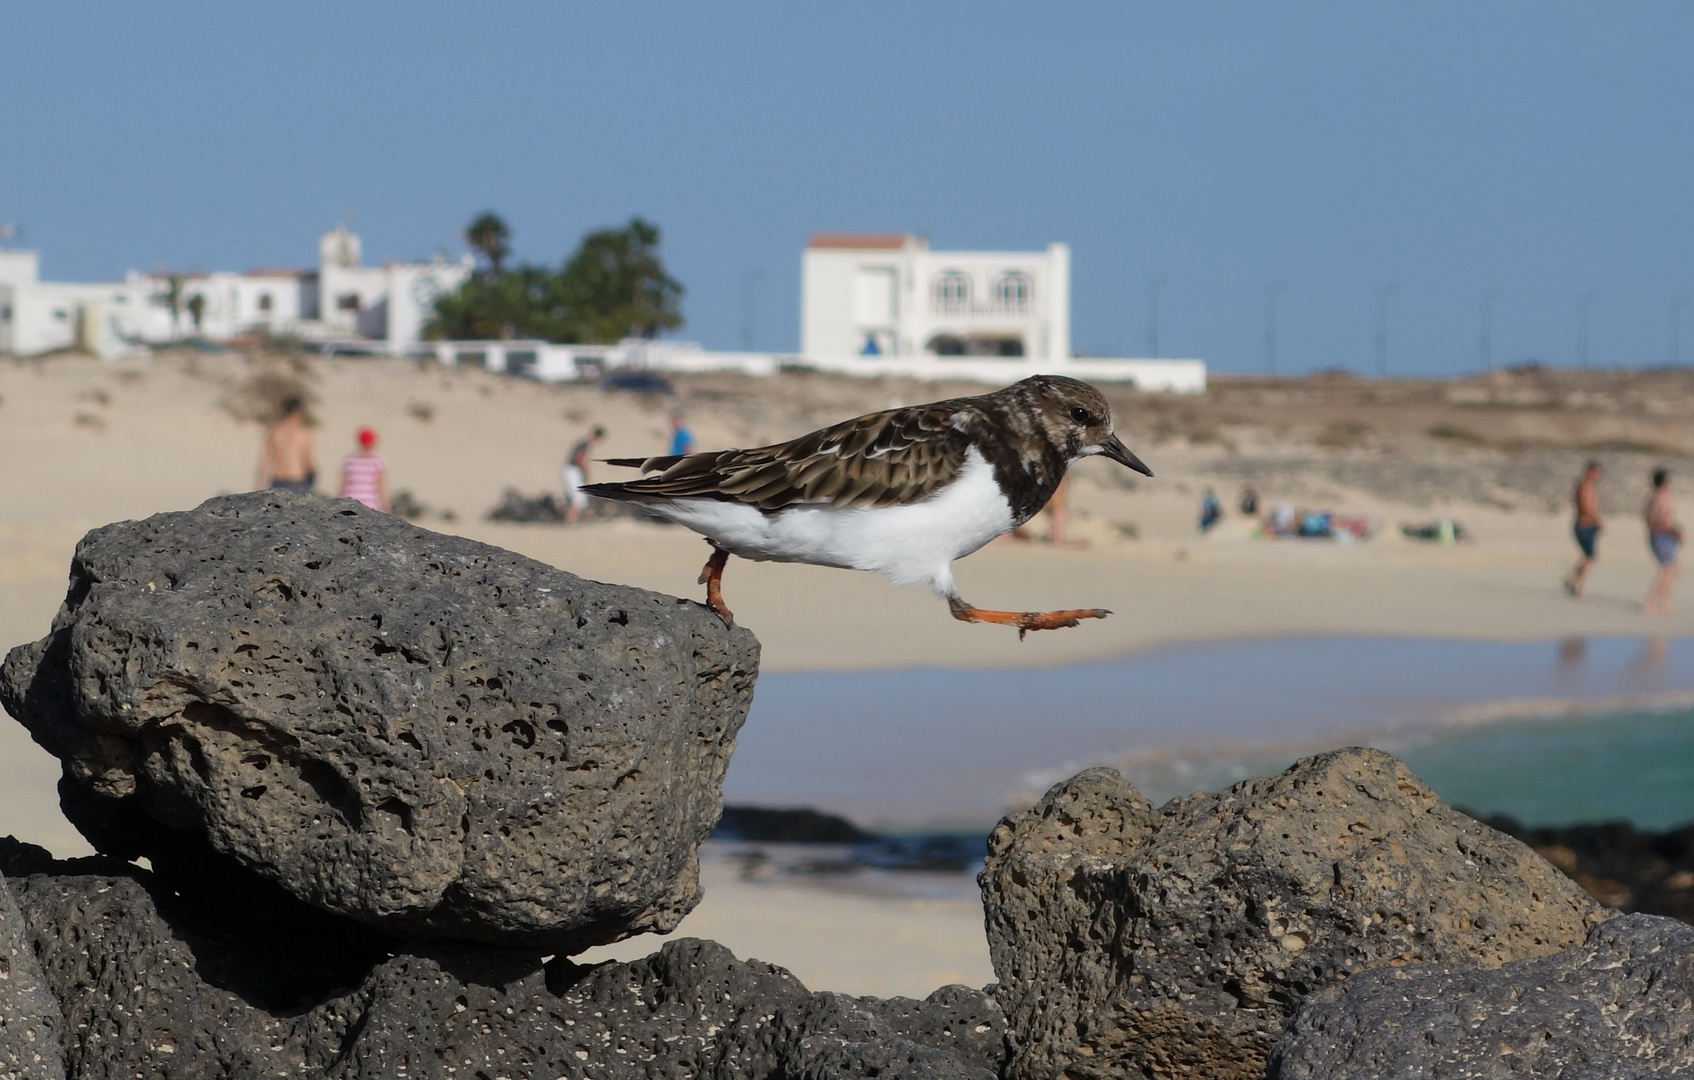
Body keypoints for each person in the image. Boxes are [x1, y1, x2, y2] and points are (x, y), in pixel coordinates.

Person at [256, 396, 315, 493]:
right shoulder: (303, 432)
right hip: (297, 480)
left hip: (278, 480)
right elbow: (309, 461)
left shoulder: (275, 430)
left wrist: (259, 485)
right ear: (298, 412)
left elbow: (266, 460)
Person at [1644, 468, 1681, 615]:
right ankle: (1651, 601)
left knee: (1673, 569)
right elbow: (1664, 520)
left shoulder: (1652, 498)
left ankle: (1665, 601)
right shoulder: (1663, 498)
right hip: (1662, 535)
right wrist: (1676, 531)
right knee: (1668, 570)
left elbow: (1649, 519)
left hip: (1657, 535)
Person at [1564, 461, 1603, 597]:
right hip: (1584, 525)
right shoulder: (1584, 487)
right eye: (1596, 472)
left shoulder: (1587, 486)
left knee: (1588, 557)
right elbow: (1586, 508)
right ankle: (1578, 586)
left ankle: (1573, 581)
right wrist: (1598, 521)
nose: (1598, 476)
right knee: (1589, 558)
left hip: (1588, 525)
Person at [562, 426, 606, 525]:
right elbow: (581, 459)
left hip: (571, 470)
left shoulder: (583, 443)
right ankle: (569, 523)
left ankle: (570, 522)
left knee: (578, 500)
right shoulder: (585, 444)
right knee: (578, 499)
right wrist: (586, 472)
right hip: (573, 470)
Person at [339, 427, 389, 513]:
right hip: (370, 503)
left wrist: (340, 500)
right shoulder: (377, 461)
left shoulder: (350, 460)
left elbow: (343, 484)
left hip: (350, 502)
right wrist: (386, 506)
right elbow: (381, 486)